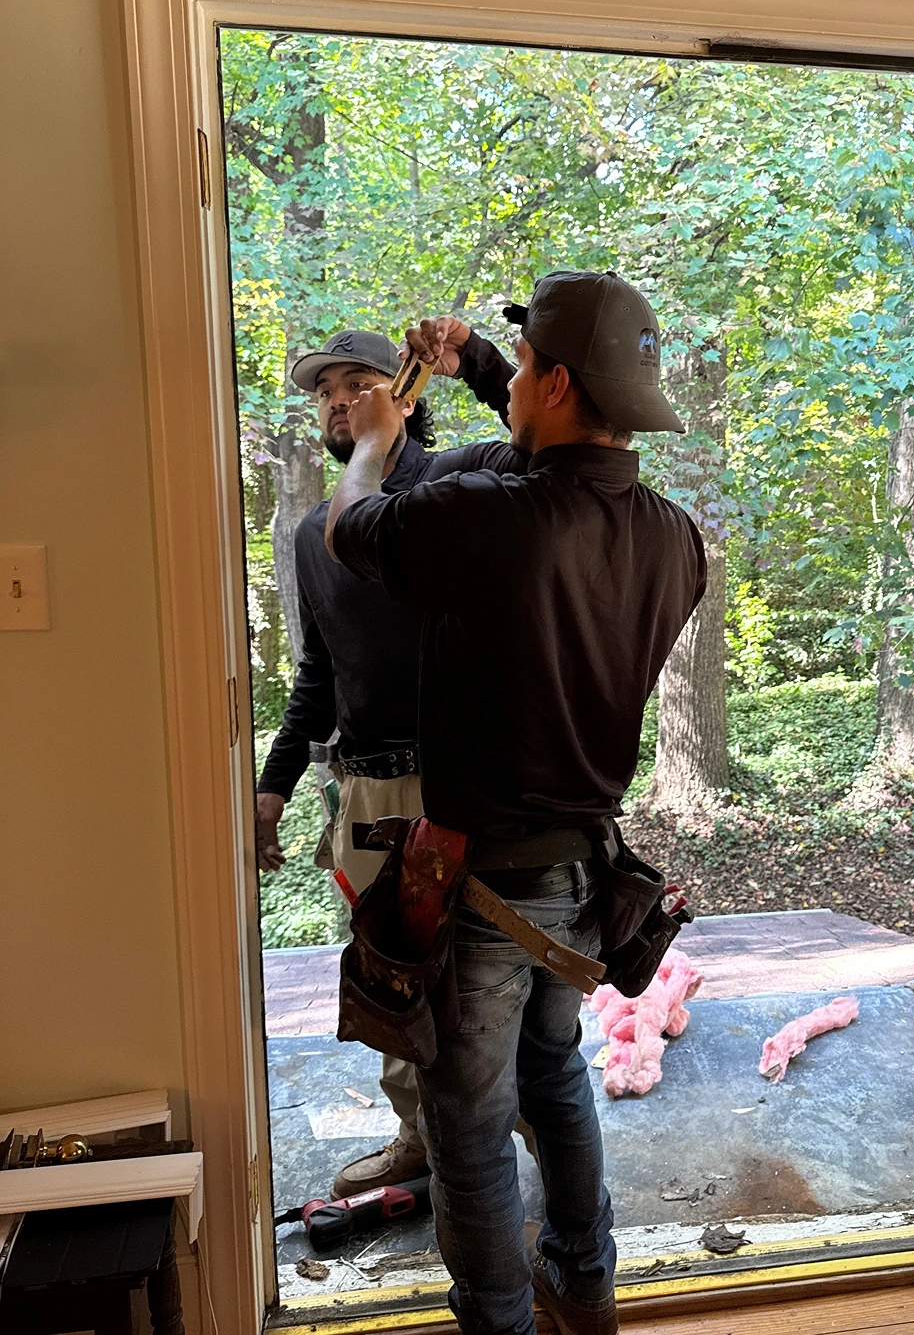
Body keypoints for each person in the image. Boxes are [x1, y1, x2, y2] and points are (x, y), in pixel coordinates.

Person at [325, 270, 705, 1335]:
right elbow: (547, 457)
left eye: (527, 362)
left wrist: (375, 434)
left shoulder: (493, 517)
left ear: (562, 379)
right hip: (585, 878)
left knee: (470, 1125)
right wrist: (486, 365)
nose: (516, 378)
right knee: (553, 1073)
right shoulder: (674, 539)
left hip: (485, 885)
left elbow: (352, 529)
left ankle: (499, 1321)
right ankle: (584, 1284)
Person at [255, 320, 526, 1198]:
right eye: (324, 394)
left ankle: (514, 1137)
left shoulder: (460, 484)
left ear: (403, 394)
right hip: (366, 788)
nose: (336, 402)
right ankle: (420, 1139)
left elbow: (546, 451)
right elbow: (320, 670)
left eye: (355, 385)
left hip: (462, 779)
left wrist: (479, 361)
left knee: (480, 974)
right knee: (389, 980)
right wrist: (274, 786)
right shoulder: (313, 532)